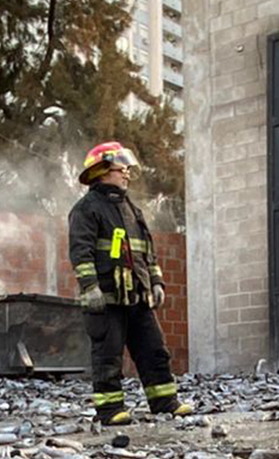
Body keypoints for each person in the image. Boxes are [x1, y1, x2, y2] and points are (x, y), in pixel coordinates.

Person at [68, 141, 193, 424]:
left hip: (138, 296)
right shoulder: (87, 209)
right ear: (101, 172)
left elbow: (146, 251)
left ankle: (165, 402)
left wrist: (157, 282)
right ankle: (110, 410)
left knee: (154, 350)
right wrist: (90, 287)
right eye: (121, 169)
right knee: (108, 355)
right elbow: (81, 251)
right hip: (107, 298)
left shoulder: (132, 210)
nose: (126, 175)